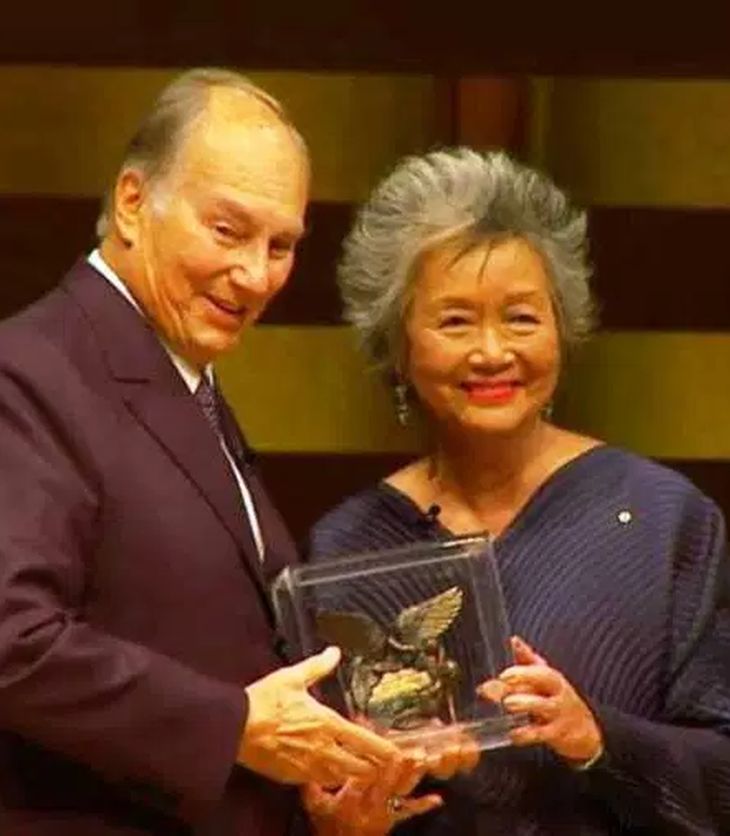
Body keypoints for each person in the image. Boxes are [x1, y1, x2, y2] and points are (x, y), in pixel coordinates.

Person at [0, 67, 414, 835]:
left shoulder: (183, 377)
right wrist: (233, 727)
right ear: (133, 202)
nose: (255, 275)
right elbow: (11, 642)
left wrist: (317, 774)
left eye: (282, 244)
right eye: (227, 231)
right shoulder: (30, 372)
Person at [307, 148, 730, 834]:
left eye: (522, 317)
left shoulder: (661, 519)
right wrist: (346, 819)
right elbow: (317, 788)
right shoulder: (347, 545)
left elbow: (723, 775)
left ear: (564, 329)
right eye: (455, 321)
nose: (492, 351)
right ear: (398, 345)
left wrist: (596, 737)